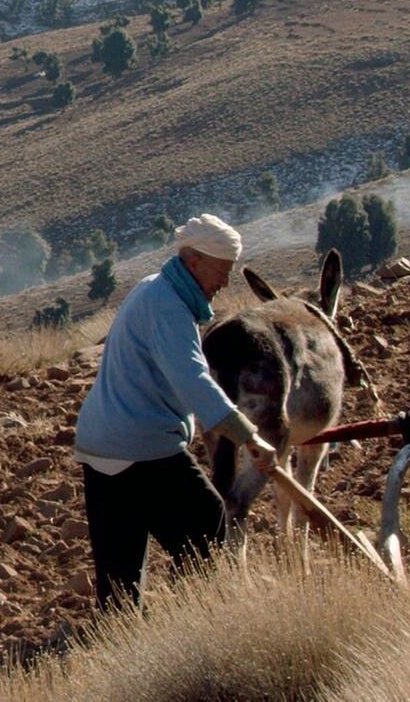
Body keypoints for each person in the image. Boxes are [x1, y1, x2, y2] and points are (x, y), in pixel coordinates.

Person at [71, 214, 278, 607]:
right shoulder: (169, 307)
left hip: (101, 444)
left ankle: (128, 635)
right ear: (194, 262)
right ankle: (199, 618)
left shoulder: (153, 289)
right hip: (140, 444)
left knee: (119, 584)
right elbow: (192, 379)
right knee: (208, 526)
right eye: (222, 271)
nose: (225, 283)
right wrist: (248, 436)